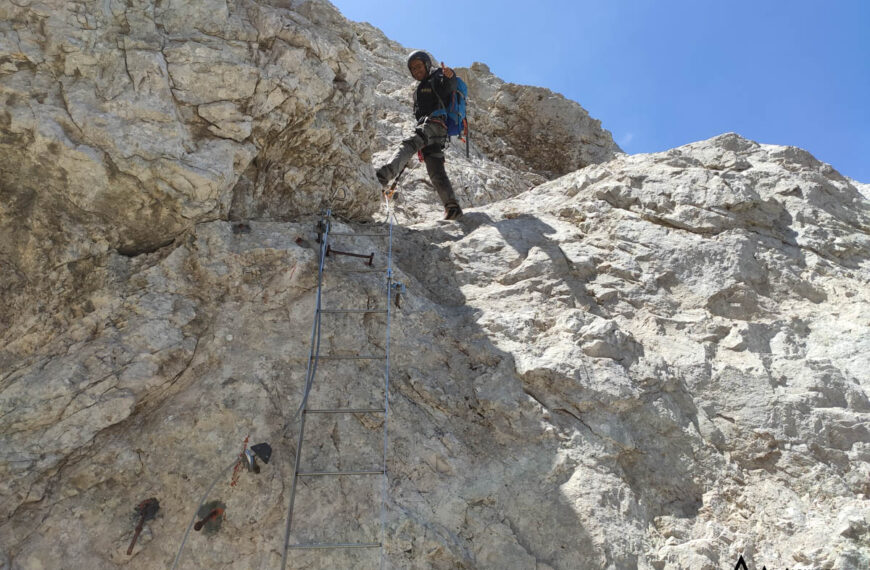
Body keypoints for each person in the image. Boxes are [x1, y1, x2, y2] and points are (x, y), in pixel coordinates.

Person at [375, 50, 463, 220]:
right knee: (435, 170)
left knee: (409, 144)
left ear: (427, 64)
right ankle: (452, 208)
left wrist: (450, 76)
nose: (416, 71)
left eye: (418, 66)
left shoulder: (437, 77)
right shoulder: (419, 90)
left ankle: (382, 177)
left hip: (434, 125)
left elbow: (449, 87)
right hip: (435, 132)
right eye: (412, 69)